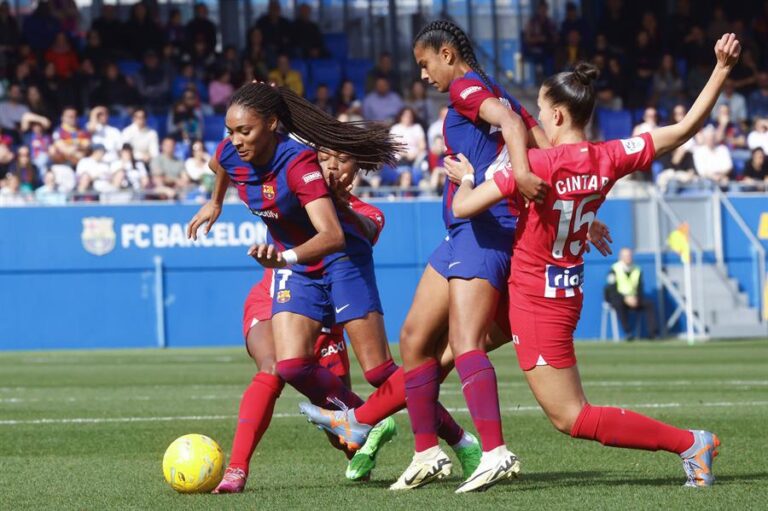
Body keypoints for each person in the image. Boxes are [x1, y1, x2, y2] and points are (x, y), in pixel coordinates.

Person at [442, 33, 741, 489]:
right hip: (556, 293)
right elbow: (683, 131)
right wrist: (720, 68)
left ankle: (690, 443)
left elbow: (464, 207)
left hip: (536, 301)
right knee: (454, 350)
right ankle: (388, 423)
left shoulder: (537, 164)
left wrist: (465, 179)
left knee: (571, 417)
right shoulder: (609, 157)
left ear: (557, 115)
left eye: (541, 111)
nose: (537, 119)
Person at [299, 19, 549, 494]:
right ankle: (425, 451)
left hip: (483, 231)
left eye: (424, 63)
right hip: (462, 234)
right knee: (415, 340)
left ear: (447, 55)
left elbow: (515, 128)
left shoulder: (468, 90)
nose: (423, 75)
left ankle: (493, 451)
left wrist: (513, 174)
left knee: (463, 341)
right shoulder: (493, 90)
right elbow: (543, 144)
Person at [185, 82, 407, 486]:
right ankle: (237, 468)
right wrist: (215, 201)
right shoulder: (242, 153)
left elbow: (346, 236)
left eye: (342, 160)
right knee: (276, 367)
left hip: (332, 285)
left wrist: (332, 212)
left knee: (358, 388)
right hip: (284, 280)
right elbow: (222, 162)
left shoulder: (337, 196)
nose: (332, 167)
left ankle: (372, 425)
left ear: (357, 169)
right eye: (326, 157)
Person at [604, 248, 657, 339]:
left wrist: (636, 298)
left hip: (634, 298)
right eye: (626, 256)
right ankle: (628, 333)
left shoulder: (637, 269)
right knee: (618, 303)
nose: (628, 258)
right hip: (619, 298)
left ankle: (653, 334)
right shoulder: (614, 269)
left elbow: (640, 288)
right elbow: (611, 290)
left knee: (649, 303)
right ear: (621, 257)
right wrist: (625, 298)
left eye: (630, 255)